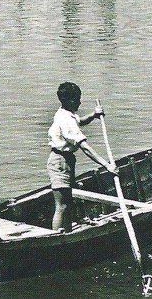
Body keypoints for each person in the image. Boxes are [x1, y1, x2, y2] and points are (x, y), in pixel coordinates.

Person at [48, 81, 116, 233]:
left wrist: (94, 115)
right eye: (78, 99)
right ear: (70, 100)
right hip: (60, 162)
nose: (80, 102)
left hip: (64, 161)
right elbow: (85, 147)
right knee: (62, 205)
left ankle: (67, 232)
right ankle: (57, 238)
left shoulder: (64, 113)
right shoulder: (66, 120)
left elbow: (80, 122)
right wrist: (107, 165)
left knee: (68, 203)